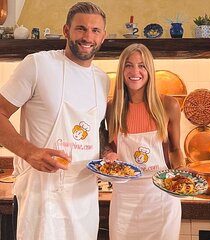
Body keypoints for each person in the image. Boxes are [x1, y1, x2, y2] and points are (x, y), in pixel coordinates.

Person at [0, 2, 108, 240]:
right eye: (81, 28)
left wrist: (109, 154)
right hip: (41, 198)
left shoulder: (102, 80)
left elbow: (95, 132)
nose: (87, 37)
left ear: (103, 37)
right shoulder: (38, 65)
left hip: (84, 199)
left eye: (95, 30)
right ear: (67, 30)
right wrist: (29, 152)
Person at [103, 43, 186, 240]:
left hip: (161, 199)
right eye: (129, 65)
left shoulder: (168, 105)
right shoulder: (111, 108)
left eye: (142, 65)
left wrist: (180, 174)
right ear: (122, 70)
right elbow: (109, 146)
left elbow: (174, 149)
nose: (135, 71)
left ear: (149, 69)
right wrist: (108, 154)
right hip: (125, 200)